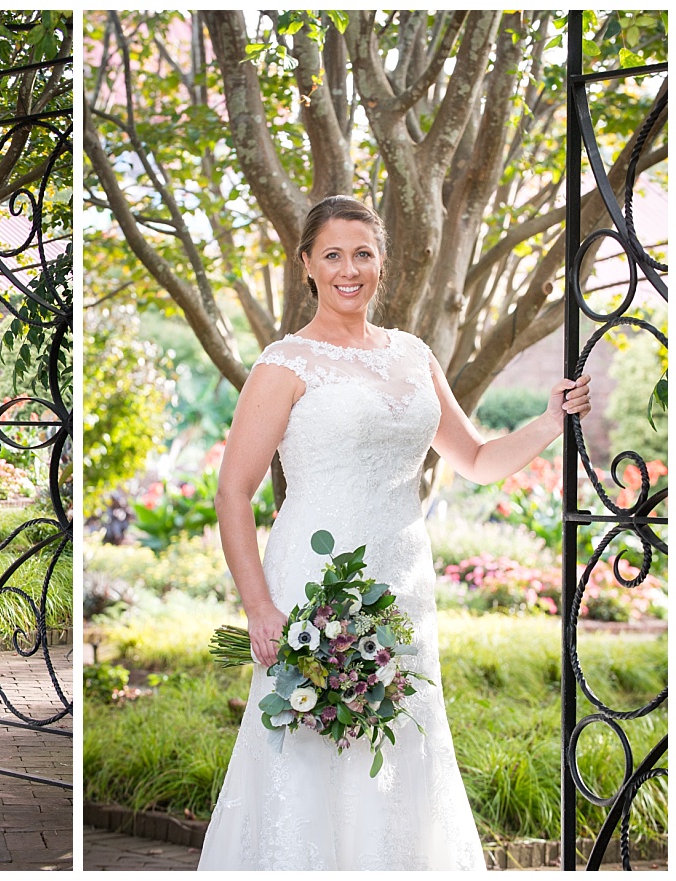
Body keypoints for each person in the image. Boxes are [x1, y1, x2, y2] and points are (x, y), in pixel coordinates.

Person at [197, 195, 591, 870]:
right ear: (307, 267)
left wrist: (550, 422)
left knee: (403, 741)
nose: (350, 269)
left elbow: (474, 458)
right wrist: (259, 605)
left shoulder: (414, 355)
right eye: (333, 255)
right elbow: (233, 492)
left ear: (382, 262)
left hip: (403, 585)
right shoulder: (283, 364)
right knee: (310, 743)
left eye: (363, 253)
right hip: (312, 586)